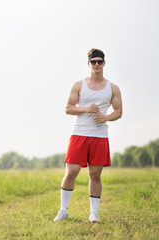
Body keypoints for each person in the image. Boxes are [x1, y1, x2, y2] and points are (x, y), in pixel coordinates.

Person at [53, 48, 123, 223]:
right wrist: (84, 108)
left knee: (95, 174)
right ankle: (63, 211)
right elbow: (68, 108)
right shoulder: (79, 85)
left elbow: (119, 111)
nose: (97, 64)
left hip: (100, 136)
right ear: (89, 64)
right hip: (79, 133)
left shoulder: (112, 88)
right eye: (93, 62)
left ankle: (94, 213)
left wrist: (105, 117)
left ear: (104, 63)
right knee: (71, 172)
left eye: (99, 61)